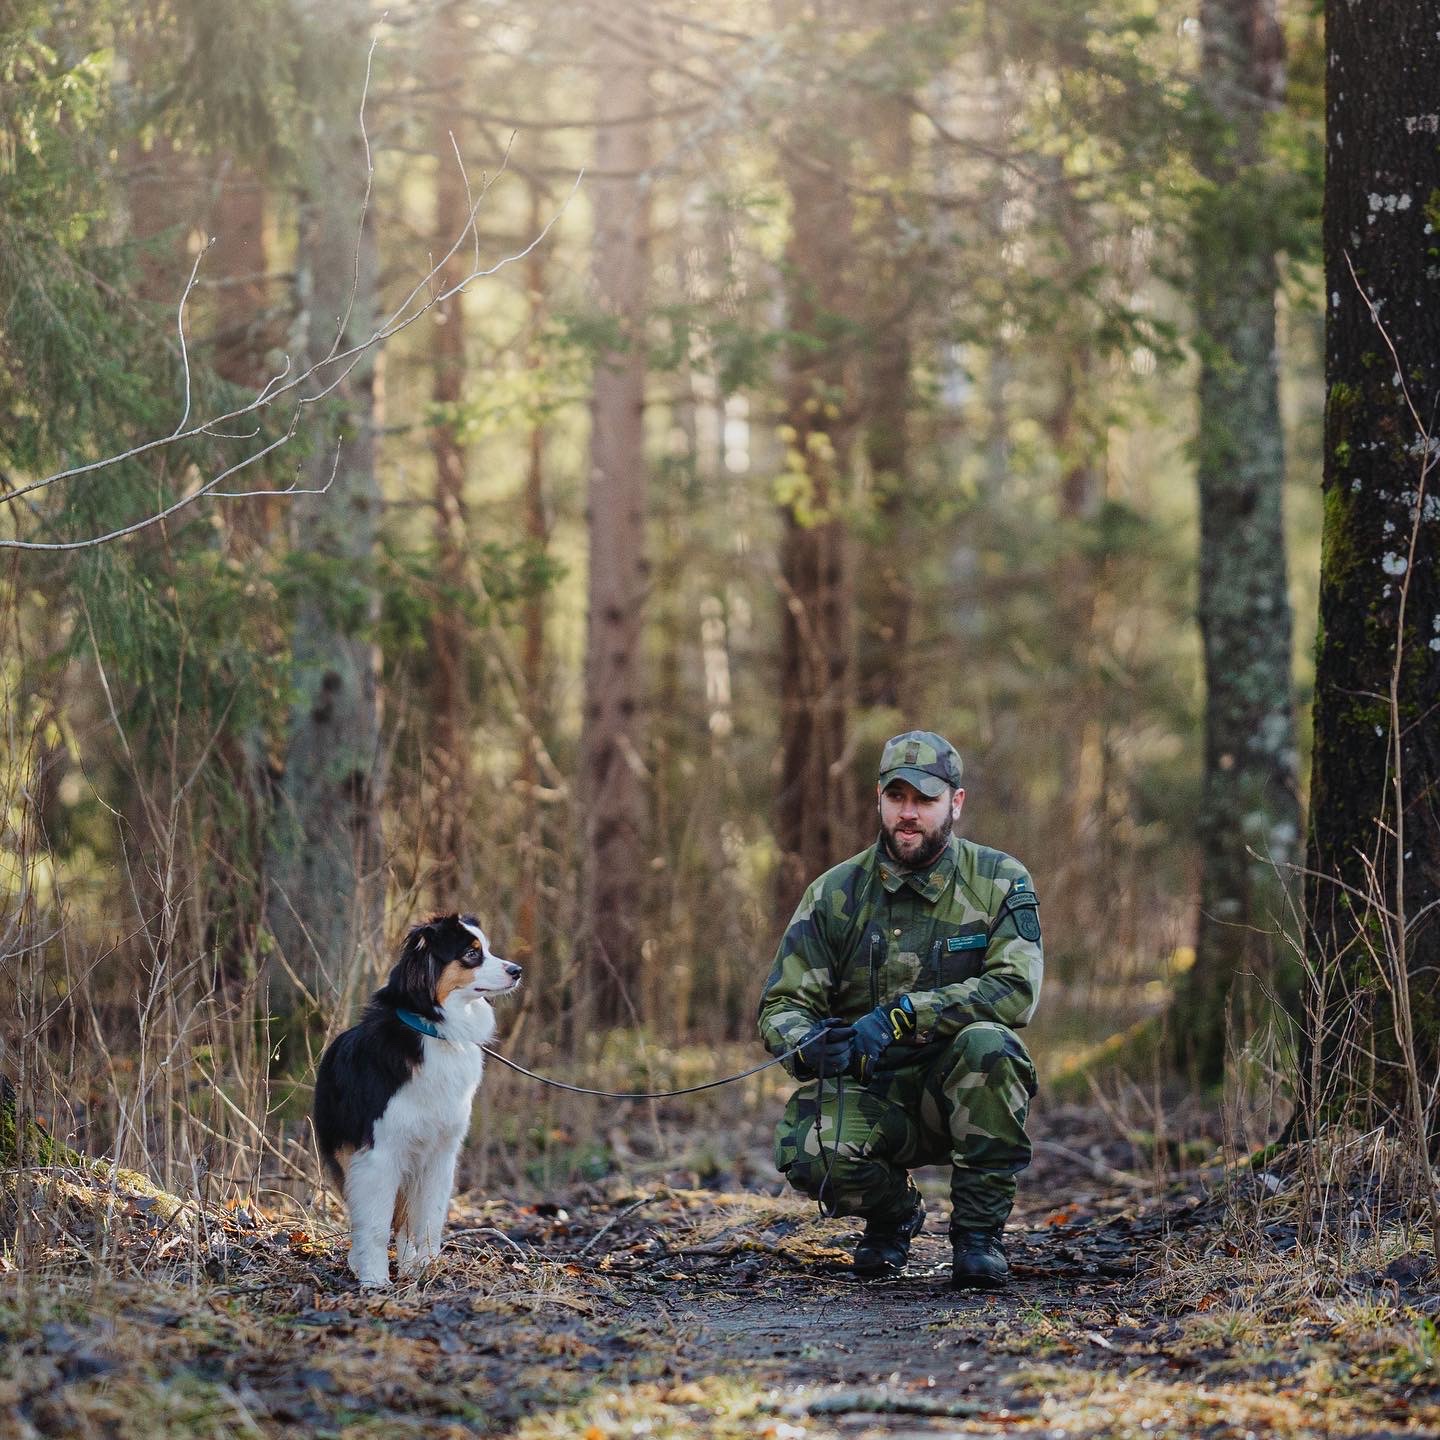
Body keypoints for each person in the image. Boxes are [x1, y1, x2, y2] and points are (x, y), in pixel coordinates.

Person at [757, 730, 1042, 1288]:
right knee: (806, 1143)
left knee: (993, 1047)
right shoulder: (834, 893)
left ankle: (979, 1238)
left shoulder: (999, 881)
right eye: (897, 797)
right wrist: (808, 1041)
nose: (908, 814)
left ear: (955, 803)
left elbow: (1015, 990)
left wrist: (903, 1014)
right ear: (879, 799)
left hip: (959, 1090)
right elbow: (782, 1003)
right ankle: (893, 1217)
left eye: (925, 800)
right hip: (874, 1095)